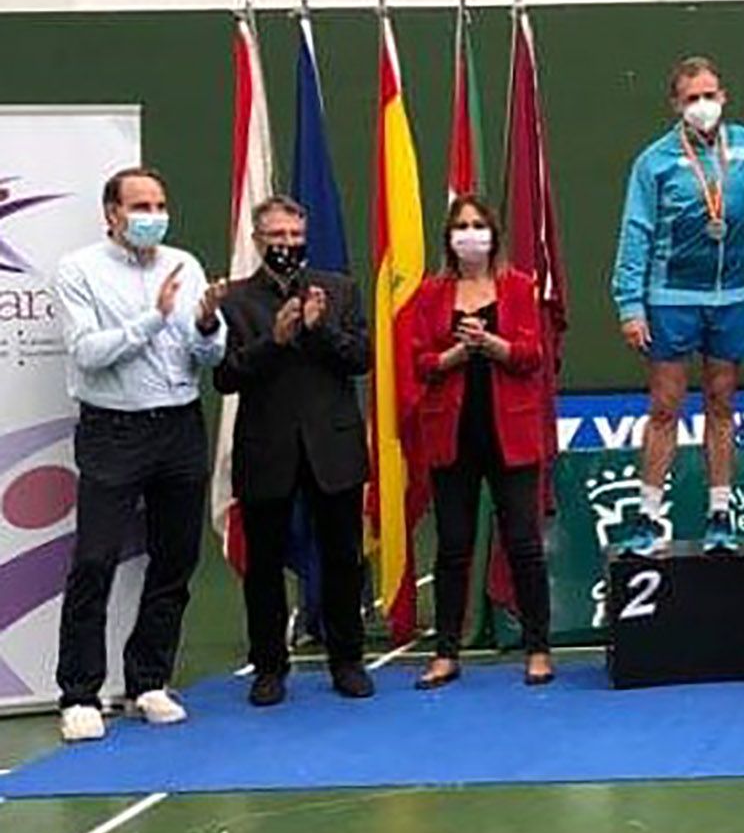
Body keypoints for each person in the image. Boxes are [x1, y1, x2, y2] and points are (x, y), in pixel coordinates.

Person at [49, 167, 227, 742]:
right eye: (140, 205)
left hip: (178, 425)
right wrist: (155, 314)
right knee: (95, 560)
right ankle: (79, 692)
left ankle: (147, 681)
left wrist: (203, 323)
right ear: (112, 214)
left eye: (160, 202)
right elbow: (90, 353)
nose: (153, 214)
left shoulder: (187, 264)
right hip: (112, 431)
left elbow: (208, 352)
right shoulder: (79, 271)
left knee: (174, 558)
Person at [213, 195, 373, 705]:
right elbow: (225, 376)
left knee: (343, 557)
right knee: (262, 564)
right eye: (277, 237)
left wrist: (319, 328)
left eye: (294, 237)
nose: (286, 246)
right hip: (267, 448)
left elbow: (360, 359)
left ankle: (347, 659)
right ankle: (269, 667)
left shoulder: (339, 290)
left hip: (334, 448)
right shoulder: (236, 300)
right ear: (259, 241)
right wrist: (276, 339)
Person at [610, 56, 744, 553]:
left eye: (710, 95)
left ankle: (721, 515)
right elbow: (636, 233)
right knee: (665, 407)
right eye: (692, 97)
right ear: (676, 104)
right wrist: (630, 305)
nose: (703, 105)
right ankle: (647, 517)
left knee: (723, 403)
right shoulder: (653, 161)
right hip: (671, 296)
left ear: (724, 98)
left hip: (734, 295)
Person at [405, 195, 555, 687]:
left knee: (523, 543)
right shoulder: (431, 294)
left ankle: (538, 648)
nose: (470, 234)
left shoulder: (519, 288)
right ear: (448, 238)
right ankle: (446, 652)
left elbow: (534, 354)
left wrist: (492, 346)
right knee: (452, 546)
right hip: (452, 437)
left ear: (493, 234)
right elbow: (421, 362)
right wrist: (455, 354)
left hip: (510, 434)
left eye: (478, 225)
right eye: (461, 226)